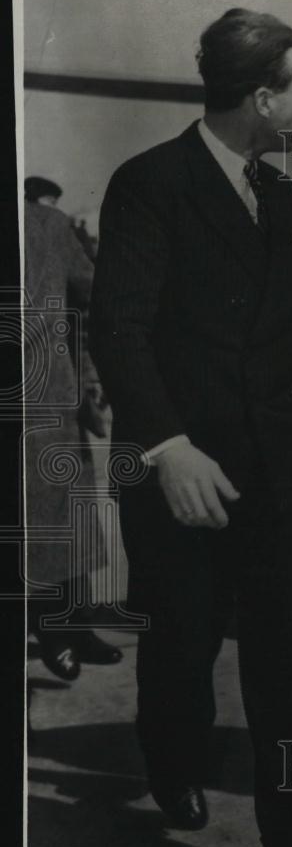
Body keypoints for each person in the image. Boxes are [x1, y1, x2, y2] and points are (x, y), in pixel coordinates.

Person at [90, 8, 292, 847]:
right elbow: (118, 329)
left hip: (275, 475)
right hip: (183, 474)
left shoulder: (279, 196)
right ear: (261, 98)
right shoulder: (151, 184)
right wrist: (166, 448)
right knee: (184, 641)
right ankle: (171, 762)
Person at [24, 199, 122, 681]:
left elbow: (90, 300)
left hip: (46, 401)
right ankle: (51, 629)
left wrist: (87, 374)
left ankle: (72, 628)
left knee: (64, 522)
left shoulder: (45, 224)